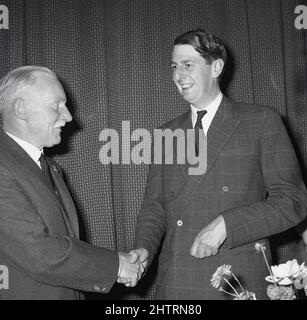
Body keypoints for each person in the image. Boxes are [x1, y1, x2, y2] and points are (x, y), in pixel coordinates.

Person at [129, 29, 307, 299]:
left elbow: (293, 201)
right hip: (176, 283)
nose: (178, 75)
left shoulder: (261, 121)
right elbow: (154, 209)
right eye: (174, 67)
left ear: (216, 68)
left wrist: (227, 225)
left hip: (236, 282)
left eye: (188, 65)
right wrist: (144, 248)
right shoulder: (164, 135)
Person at [0, 66, 141, 299]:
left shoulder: (48, 166)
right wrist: (116, 265)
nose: (68, 116)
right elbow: (38, 252)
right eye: (57, 106)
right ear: (21, 108)